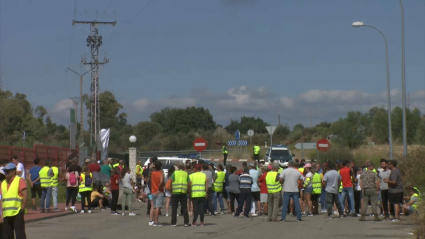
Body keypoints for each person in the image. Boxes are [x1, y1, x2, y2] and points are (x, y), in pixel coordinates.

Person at [0, 163, 28, 239]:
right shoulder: (3, 183)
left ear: (13, 172)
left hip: (17, 212)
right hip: (6, 214)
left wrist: (22, 208)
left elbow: (25, 195)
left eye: (8, 171)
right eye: (5, 171)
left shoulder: (19, 180)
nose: (6, 173)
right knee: (7, 235)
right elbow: (2, 199)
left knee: (20, 235)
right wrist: (2, 214)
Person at [170, 162, 190, 227]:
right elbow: (189, 182)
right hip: (183, 192)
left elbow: (171, 182)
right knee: (184, 207)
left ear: (178, 167)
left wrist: (171, 191)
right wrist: (188, 190)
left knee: (174, 208)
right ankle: (186, 222)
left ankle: (174, 222)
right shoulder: (186, 174)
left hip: (175, 192)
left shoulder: (174, 173)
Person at [150, 160, 164, 227]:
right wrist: (159, 189)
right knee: (158, 207)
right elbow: (161, 182)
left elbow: (151, 168)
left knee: (155, 207)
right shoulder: (161, 174)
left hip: (153, 191)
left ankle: (153, 220)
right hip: (159, 191)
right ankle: (156, 221)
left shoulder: (152, 173)